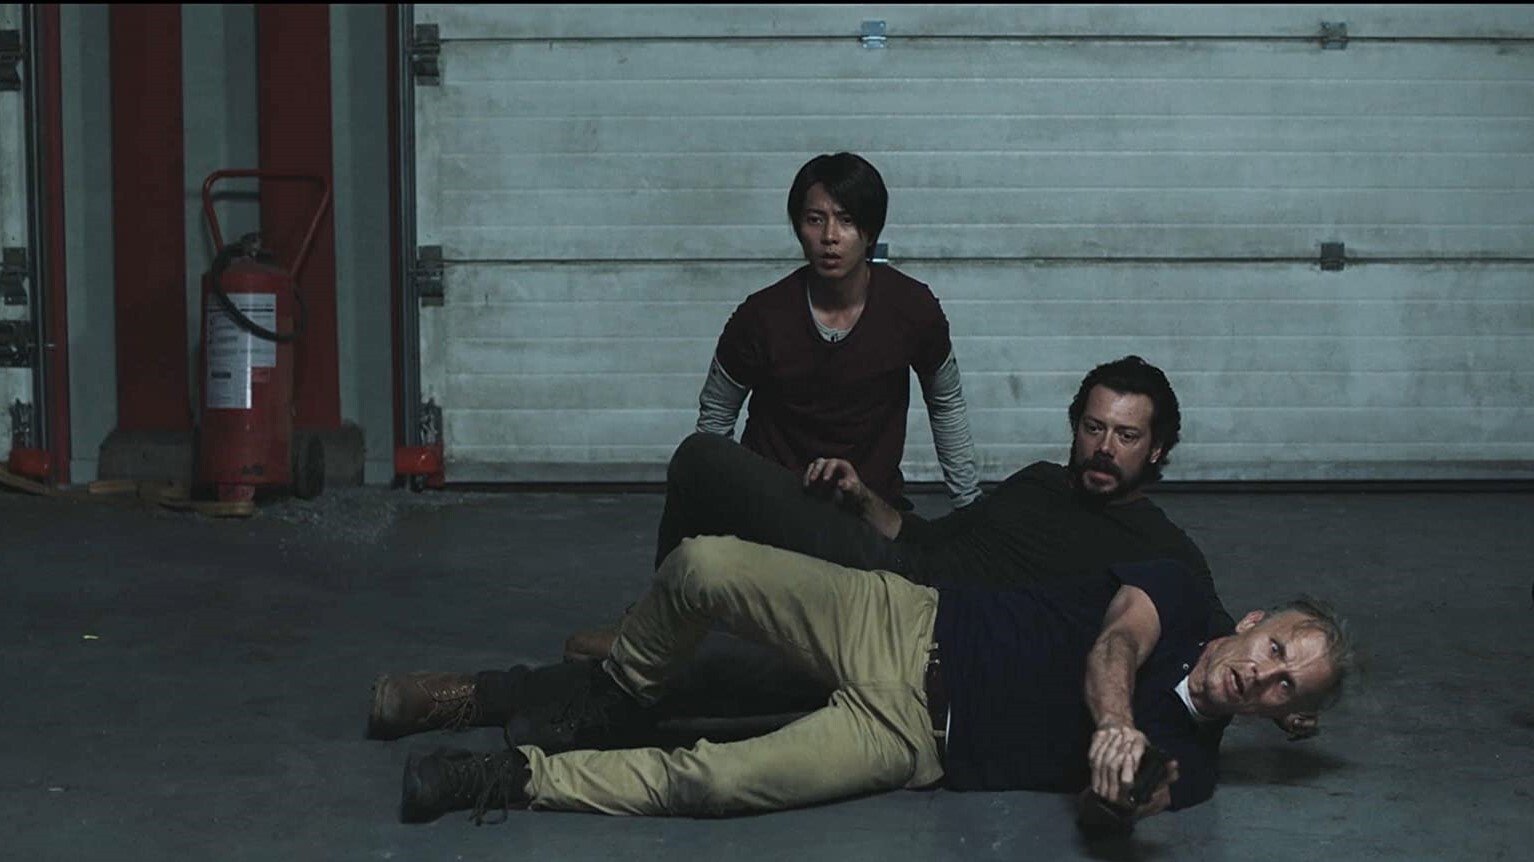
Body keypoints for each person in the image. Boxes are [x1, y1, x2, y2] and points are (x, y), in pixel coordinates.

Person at [369, 356, 1319, 742]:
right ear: (1076, 426)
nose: (1104, 448)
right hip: (887, 574)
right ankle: (643, 626)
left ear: (1159, 451)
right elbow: (932, 539)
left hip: (930, 650)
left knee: (705, 696)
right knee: (706, 460)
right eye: (1094, 427)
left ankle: (478, 696)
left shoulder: (1162, 548)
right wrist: (865, 500)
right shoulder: (1039, 481)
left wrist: (1277, 700)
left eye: (1126, 437)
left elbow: (1210, 633)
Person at [388, 536, 1352, 824]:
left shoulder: (1197, 768)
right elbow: (1115, 645)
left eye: (1288, 690)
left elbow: (1133, 806)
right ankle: (613, 697)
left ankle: (514, 779)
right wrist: (1112, 721)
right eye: (1277, 649)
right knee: (705, 565)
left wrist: (1121, 791)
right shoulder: (1176, 591)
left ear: (1289, 721)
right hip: (904, 620)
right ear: (1255, 622)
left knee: (711, 779)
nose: (1263, 676)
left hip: (911, 741)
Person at [696, 152, 981, 510]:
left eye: (846, 220)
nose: (830, 236)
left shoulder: (912, 308)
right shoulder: (760, 316)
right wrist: (717, 507)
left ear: (870, 230)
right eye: (815, 220)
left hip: (871, 508)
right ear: (798, 227)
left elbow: (946, 403)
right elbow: (715, 419)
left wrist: (969, 505)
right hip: (773, 508)